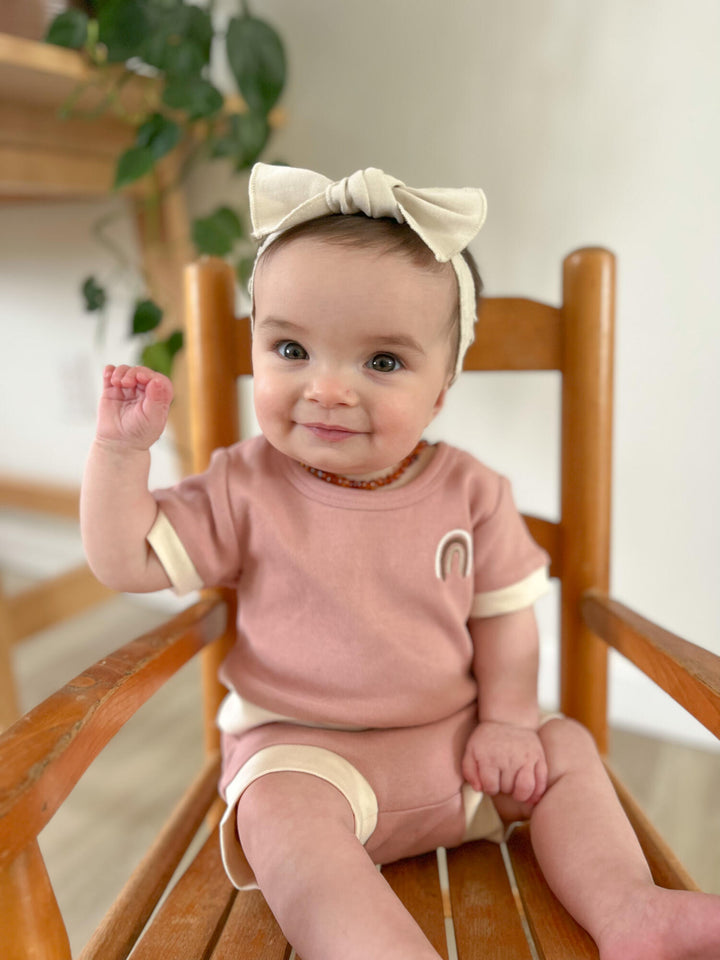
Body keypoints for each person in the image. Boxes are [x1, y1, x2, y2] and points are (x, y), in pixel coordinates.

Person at [81, 163, 720, 960]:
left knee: (568, 751)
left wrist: (511, 722)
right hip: (306, 754)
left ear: (442, 387)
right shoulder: (243, 485)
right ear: (256, 348)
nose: (327, 389)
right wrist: (119, 454)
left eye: (381, 362)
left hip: (462, 750)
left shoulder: (472, 491)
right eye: (290, 348)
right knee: (279, 819)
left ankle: (630, 911)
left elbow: (507, 624)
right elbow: (128, 559)